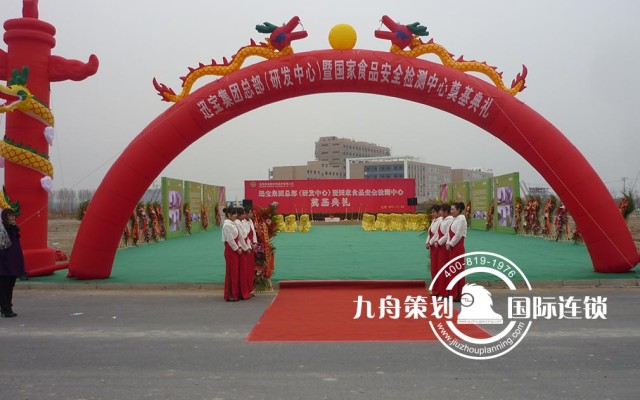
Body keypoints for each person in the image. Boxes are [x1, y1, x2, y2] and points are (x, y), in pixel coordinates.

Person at [0, 208, 25, 318]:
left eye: (13, 215)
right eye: (10, 215)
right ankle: (5, 309)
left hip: (13, 263)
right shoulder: (2, 230)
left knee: (10, 285)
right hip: (3, 264)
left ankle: (8, 306)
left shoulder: (14, 228)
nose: (13, 217)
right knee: (4, 287)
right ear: (5, 217)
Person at [446, 202, 468, 301]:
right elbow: (449, 233)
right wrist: (448, 243)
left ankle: (459, 294)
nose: (451, 211)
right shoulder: (454, 219)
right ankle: (453, 293)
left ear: (458, 210)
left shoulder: (462, 219)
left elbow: (458, 234)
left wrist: (451, 244)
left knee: (457, 270)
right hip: (452, 247)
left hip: (457, 247)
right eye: (451, 209)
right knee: (453, 270)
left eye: (452, 209)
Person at [221, 207, 242, 302]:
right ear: (228, 215)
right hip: (230, 251)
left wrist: (239, 247)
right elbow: (230, 239)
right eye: (234, 214)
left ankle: (235, 293)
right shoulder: (227, 225)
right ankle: (230, 294)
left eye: (236, 214)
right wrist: (237, 248)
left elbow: (238, 237)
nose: (236, 215)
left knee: (235, 272)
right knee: (231, 272)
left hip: (235, 249)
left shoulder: (233, 223)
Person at [434, 204, 453, 297]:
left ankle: (445, 291)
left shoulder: (450, 221)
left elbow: (447, 234)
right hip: (440, 247)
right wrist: (436, 241)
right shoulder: (443, 220)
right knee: (440, 268)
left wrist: (439, 242)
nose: (440, 212)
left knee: (444, 268)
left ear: (446, 212)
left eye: (442, 211)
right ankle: (441, 290)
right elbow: (438, 233)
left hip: (444, 248)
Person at [425, 205, 443, 296]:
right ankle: (435, 288)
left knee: (437, 268)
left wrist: (430, 243)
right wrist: (427, 242)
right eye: (432, 212)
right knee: (433, 268)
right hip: (432, 247)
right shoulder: (433, 221)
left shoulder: (440, 221)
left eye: (434, 212)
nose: (432, 214)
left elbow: (436, 234)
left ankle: (438, 289)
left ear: (438, 212)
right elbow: (429, 233)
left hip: (436, 246)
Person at [234, 208, 252, 300]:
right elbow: (240, 238)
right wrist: (245, 248)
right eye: (244, 214)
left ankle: (245, 291)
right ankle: (241, 292)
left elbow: (246, 236)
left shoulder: (242, 222)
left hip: (245, 246)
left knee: (245, 270)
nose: (245, 216)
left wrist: (249, 246)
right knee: (242, 271)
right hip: (241, 248)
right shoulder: (237, 223)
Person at [245, 208, 258, 296]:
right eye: (249, 213)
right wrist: (250, 245)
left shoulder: (250, 221)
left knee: (251, 268)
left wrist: (255, 242)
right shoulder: (242, 223)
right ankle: (247, 288)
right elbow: (244, 236)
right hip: (247, 248)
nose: (251, 215)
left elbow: (253, 233)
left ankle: (251, 288)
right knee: (246, 269)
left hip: (252, 247)